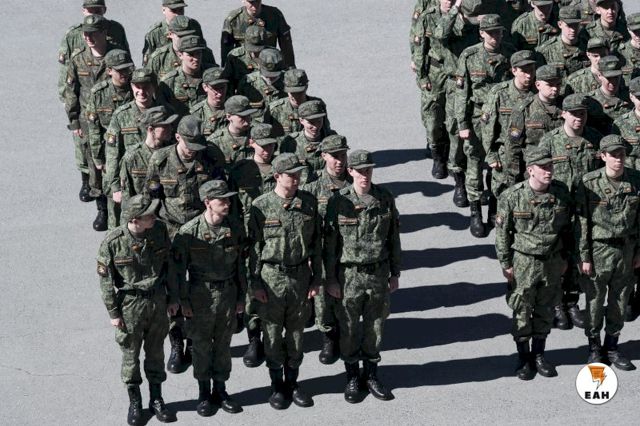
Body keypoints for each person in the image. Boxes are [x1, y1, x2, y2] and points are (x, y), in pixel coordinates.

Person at [146, 115, 225, 373]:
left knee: (200, 286)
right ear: (177, 137)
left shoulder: (210, 156)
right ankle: (176, 341)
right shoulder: (160, 160)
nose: (193, 151)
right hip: (171, 232)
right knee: (173, 287)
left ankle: (194, 340)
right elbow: (152, 199)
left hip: (202, 232)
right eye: (189, 144)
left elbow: (219, 193)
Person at [324, 149, 401, 403]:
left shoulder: (384, 198)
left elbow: (393, 238)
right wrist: (331, 279)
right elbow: (330, 245)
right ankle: (352, 377)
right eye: (359, 171)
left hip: (378, 273)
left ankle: (371, 374)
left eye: (368, 170)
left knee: (375, 327)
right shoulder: (339, 202)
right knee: (348, 328)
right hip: (349, 275)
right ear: (350, 171)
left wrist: (395, 273)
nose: (365, 175)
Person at [96, 194, 178, 425]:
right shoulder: (113, 241)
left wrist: (173, 298)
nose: (154, 217)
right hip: (130, 304)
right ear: (134, 219)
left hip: (157, 300)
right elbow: (105, 281)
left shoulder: (159, 231)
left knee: (156, 353)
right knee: (131, 356)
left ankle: (156, 399)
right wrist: (113, 312)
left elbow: (169, 266)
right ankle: (135, 402)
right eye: (148, 215)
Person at [247, 153, 321, 409]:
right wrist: (255, 284)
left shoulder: (308, 203)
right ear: (277, 176)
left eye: (298, 174)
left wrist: (317, 279)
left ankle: (293, 382)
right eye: (291, 175)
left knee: (297, 334)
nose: (297, 179)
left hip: (300, 276)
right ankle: (276, 384)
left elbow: (316, 245)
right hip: (271, 278)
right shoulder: (261, 206)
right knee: (272, 333)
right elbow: (253, 249)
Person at [494, 146, 573, 380]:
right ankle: (523, 357)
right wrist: (506, 263)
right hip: (524, 261)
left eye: (550, 166)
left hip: (552, 261)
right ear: (531, 170)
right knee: (522, 309)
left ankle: (539, 354)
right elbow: (502, 233)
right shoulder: (512, 196)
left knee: (545, 309)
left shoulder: (561, 193)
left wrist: (566, 258)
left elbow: (568, 229)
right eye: (543, 167)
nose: (549, 171)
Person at [172, 180, 246, 416]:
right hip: (199, 296)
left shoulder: (235, 228)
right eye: (221, 200)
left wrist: (241, 298)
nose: (227, 203)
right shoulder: (189, 233)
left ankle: (221, 390)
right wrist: (183, 301)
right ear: (207, 202)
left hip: (227, 294)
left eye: (228, 199)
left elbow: (241, 267)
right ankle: (204, 393)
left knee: (223, 345)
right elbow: (178, 272)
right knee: (201, 346)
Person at [575, 135, 640, 371]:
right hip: (598, 250)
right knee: (594, 301)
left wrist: (638, 252)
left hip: (626, 250)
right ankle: (594, 347)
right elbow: (581, 223)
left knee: (620, 301)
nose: (618, 159)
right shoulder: (589, 183)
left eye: (621, 154)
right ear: (602, 156)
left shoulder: (636, 179)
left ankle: (612, 346)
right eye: (613, 154)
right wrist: (584, 256)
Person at [454, 14, 515, 238]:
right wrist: (463, 123)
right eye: (490, 33)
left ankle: (494, 210)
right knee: (475, 164)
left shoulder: (509, 53)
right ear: (481, 34)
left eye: (497, 32)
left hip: (503, 118)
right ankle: (475, 211)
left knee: (498, 164)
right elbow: (462, 93)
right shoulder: (469, 56)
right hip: (478, 117)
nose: (494, 37)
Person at [228, 123, 278, 368]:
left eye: (270, 145)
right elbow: (232, 207)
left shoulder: (282, 167)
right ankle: (254, 338)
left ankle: (273, 336)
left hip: (276, 239)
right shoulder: (241, 170)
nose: (266, 150)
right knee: (250, 289)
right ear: (252, 144)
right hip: (249, 238)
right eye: (262, 145)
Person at [63, 15, 118, 228]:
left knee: (115, 164)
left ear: (104, 33)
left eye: (93, 33)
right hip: (89, 122)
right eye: (86, 33)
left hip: (113, 120)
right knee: (95, 165)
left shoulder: (116, 57)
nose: (88, 37)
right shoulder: (77, 59)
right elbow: (71, 93)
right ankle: (102, 209)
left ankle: (117, 207)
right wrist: (74, 122)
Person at [302, 135, 352, 365]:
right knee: (323, 300)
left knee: (349, 297)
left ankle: (347, 334)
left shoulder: (356, 183)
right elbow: (305, 226)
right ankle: (328, 337)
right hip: (323, 254)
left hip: (350, 252)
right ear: (323, 156)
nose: (339, 161)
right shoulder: (312, 189)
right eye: (334, 156)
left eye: (342, 155)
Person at [105, 68, 164, 229]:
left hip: (158, 179)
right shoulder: (121, 115)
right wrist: (115, 186)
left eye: (146, 87)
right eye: (138, 87)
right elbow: (112, 153)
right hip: (131, 180)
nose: (141, 92)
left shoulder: (164, 114)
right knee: (126, 225)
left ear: (153, 87)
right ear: (132, 87)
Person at [482, 50, 537, 227]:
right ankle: (496, 217)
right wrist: (491, 155)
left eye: (531, 70)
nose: (528, 75)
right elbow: (487, 128)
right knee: (502, 190)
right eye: (524, 71)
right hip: (504, 153)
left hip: (530, 154)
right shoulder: (499, 93)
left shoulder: (538, 92)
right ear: (514, 70)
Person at [86, 49, 134, 231]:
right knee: (113, 191)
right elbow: (94, 128)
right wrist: (98, 158)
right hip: (111, 150)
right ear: (109, 71)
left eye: (126, 69)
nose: (124, 74)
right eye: (119, 70)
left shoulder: (137, 88)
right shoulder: (99, 94)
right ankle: (110, 222)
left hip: (133, 146)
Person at [57, 0, 129, 102]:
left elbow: (126, 61)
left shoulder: (116, 30)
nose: (94, 15)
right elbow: (65, 70)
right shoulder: (73, 35)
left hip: (112, 96)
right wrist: (65, 99)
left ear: (104, 10)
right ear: (83, 11)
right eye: (90, 11)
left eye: (98, 11)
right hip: (85, 95)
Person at [120, 105, 179, 206]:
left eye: (170, 125)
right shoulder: (133, 156)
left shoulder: (173, 151)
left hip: (168, 210)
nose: (171, 128)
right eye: (165, 126)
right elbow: (127, 194)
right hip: (143, 210)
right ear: (151, 129)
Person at [221, 0, 295, 68]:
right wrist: (226, 69)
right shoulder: (234, 20)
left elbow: (286, 45)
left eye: (257, 1)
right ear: (243, 1)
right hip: (243, 67)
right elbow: (226, 49)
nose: (254, 6)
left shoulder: (275, 15)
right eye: (251, 2)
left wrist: (290, 67)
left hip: (269, 66)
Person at [279, 100, 337, 183]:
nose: (315, 126)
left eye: (319, 121)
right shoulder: (290, 143)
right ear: (301, 120)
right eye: (311, 122)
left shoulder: (332, 138)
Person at [158, 35, 215, 116]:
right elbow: (162, 111)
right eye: (191, 54)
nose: (196, 58)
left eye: (198, 53)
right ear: (180, 55)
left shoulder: (213, 75)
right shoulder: (168, 82)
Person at [265, 68, 331, 137]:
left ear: (306, 87)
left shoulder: (317, 105)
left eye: (299, 93)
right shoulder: (274, 109)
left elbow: (326, 131)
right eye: (292, 93)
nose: (296, 97)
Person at [535, 6, 588, 84]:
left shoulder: (588, 47)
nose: (573, 30)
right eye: (569, 26)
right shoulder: (546, 50)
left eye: (575, 25)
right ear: (560, 24)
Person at [207, 95, 258, 175]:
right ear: (228, 116)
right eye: (242, 117)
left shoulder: (258, 134)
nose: (247, 120)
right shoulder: (215, 141)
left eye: (248, 115)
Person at [142, 0, 204, 65]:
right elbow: (147, 63)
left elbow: (203, 52)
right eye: (173, 11)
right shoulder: (154, 33)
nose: (177, 14)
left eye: (181, 10)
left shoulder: (193, 26)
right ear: (163, 10)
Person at [585, 55, 632, 135]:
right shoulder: (591, 100)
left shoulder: (631, 96)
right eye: (608, 78)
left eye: (616, 77)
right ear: (599, 76)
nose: (613, 82)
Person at [237, 47, 287, 120]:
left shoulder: (288, 81)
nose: (269, 78)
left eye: (274, 75)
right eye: (266, 74)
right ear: (259, 65)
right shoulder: (247, 82)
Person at [190, 67, 230, 137]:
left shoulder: (234, 108)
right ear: (205, 87)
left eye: (222, 88)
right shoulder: (196, 113)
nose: (219, 93)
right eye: (215, 88)